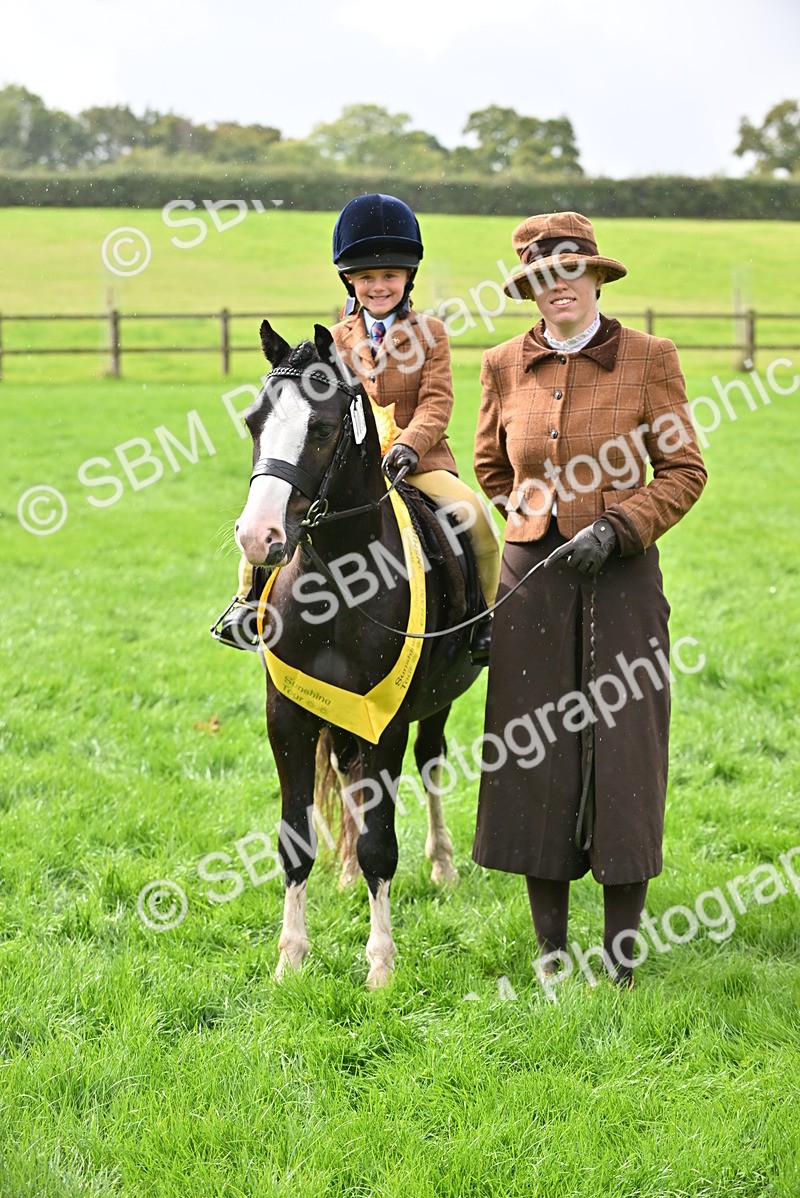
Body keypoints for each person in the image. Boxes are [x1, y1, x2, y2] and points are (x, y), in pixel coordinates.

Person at [471, 211, 707, 987]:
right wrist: (530, 514)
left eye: (573, 270)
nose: (559, 285)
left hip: (625, 580)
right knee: (534, 749)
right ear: (531, 289)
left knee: (625, 747)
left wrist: (617, 527)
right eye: (544, 275)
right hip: (530, 583)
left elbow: (683, 471)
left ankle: (622, 955)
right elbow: (491, 467)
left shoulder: (649, 358)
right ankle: (549, 952)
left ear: (597, 277)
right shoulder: (503, 363)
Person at [215, 192, 501, 664]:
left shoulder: (432, 334)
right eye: (366, 277)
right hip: (349, 467)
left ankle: (482, 618)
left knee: (473, 515)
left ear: (407, 277)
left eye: (389, 275)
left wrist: (410, 444)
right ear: (350, 279)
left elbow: (436, 402)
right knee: (275, 511)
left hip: (418, 461)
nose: (378, 286)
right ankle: (248, 603)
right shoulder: (334, 339)